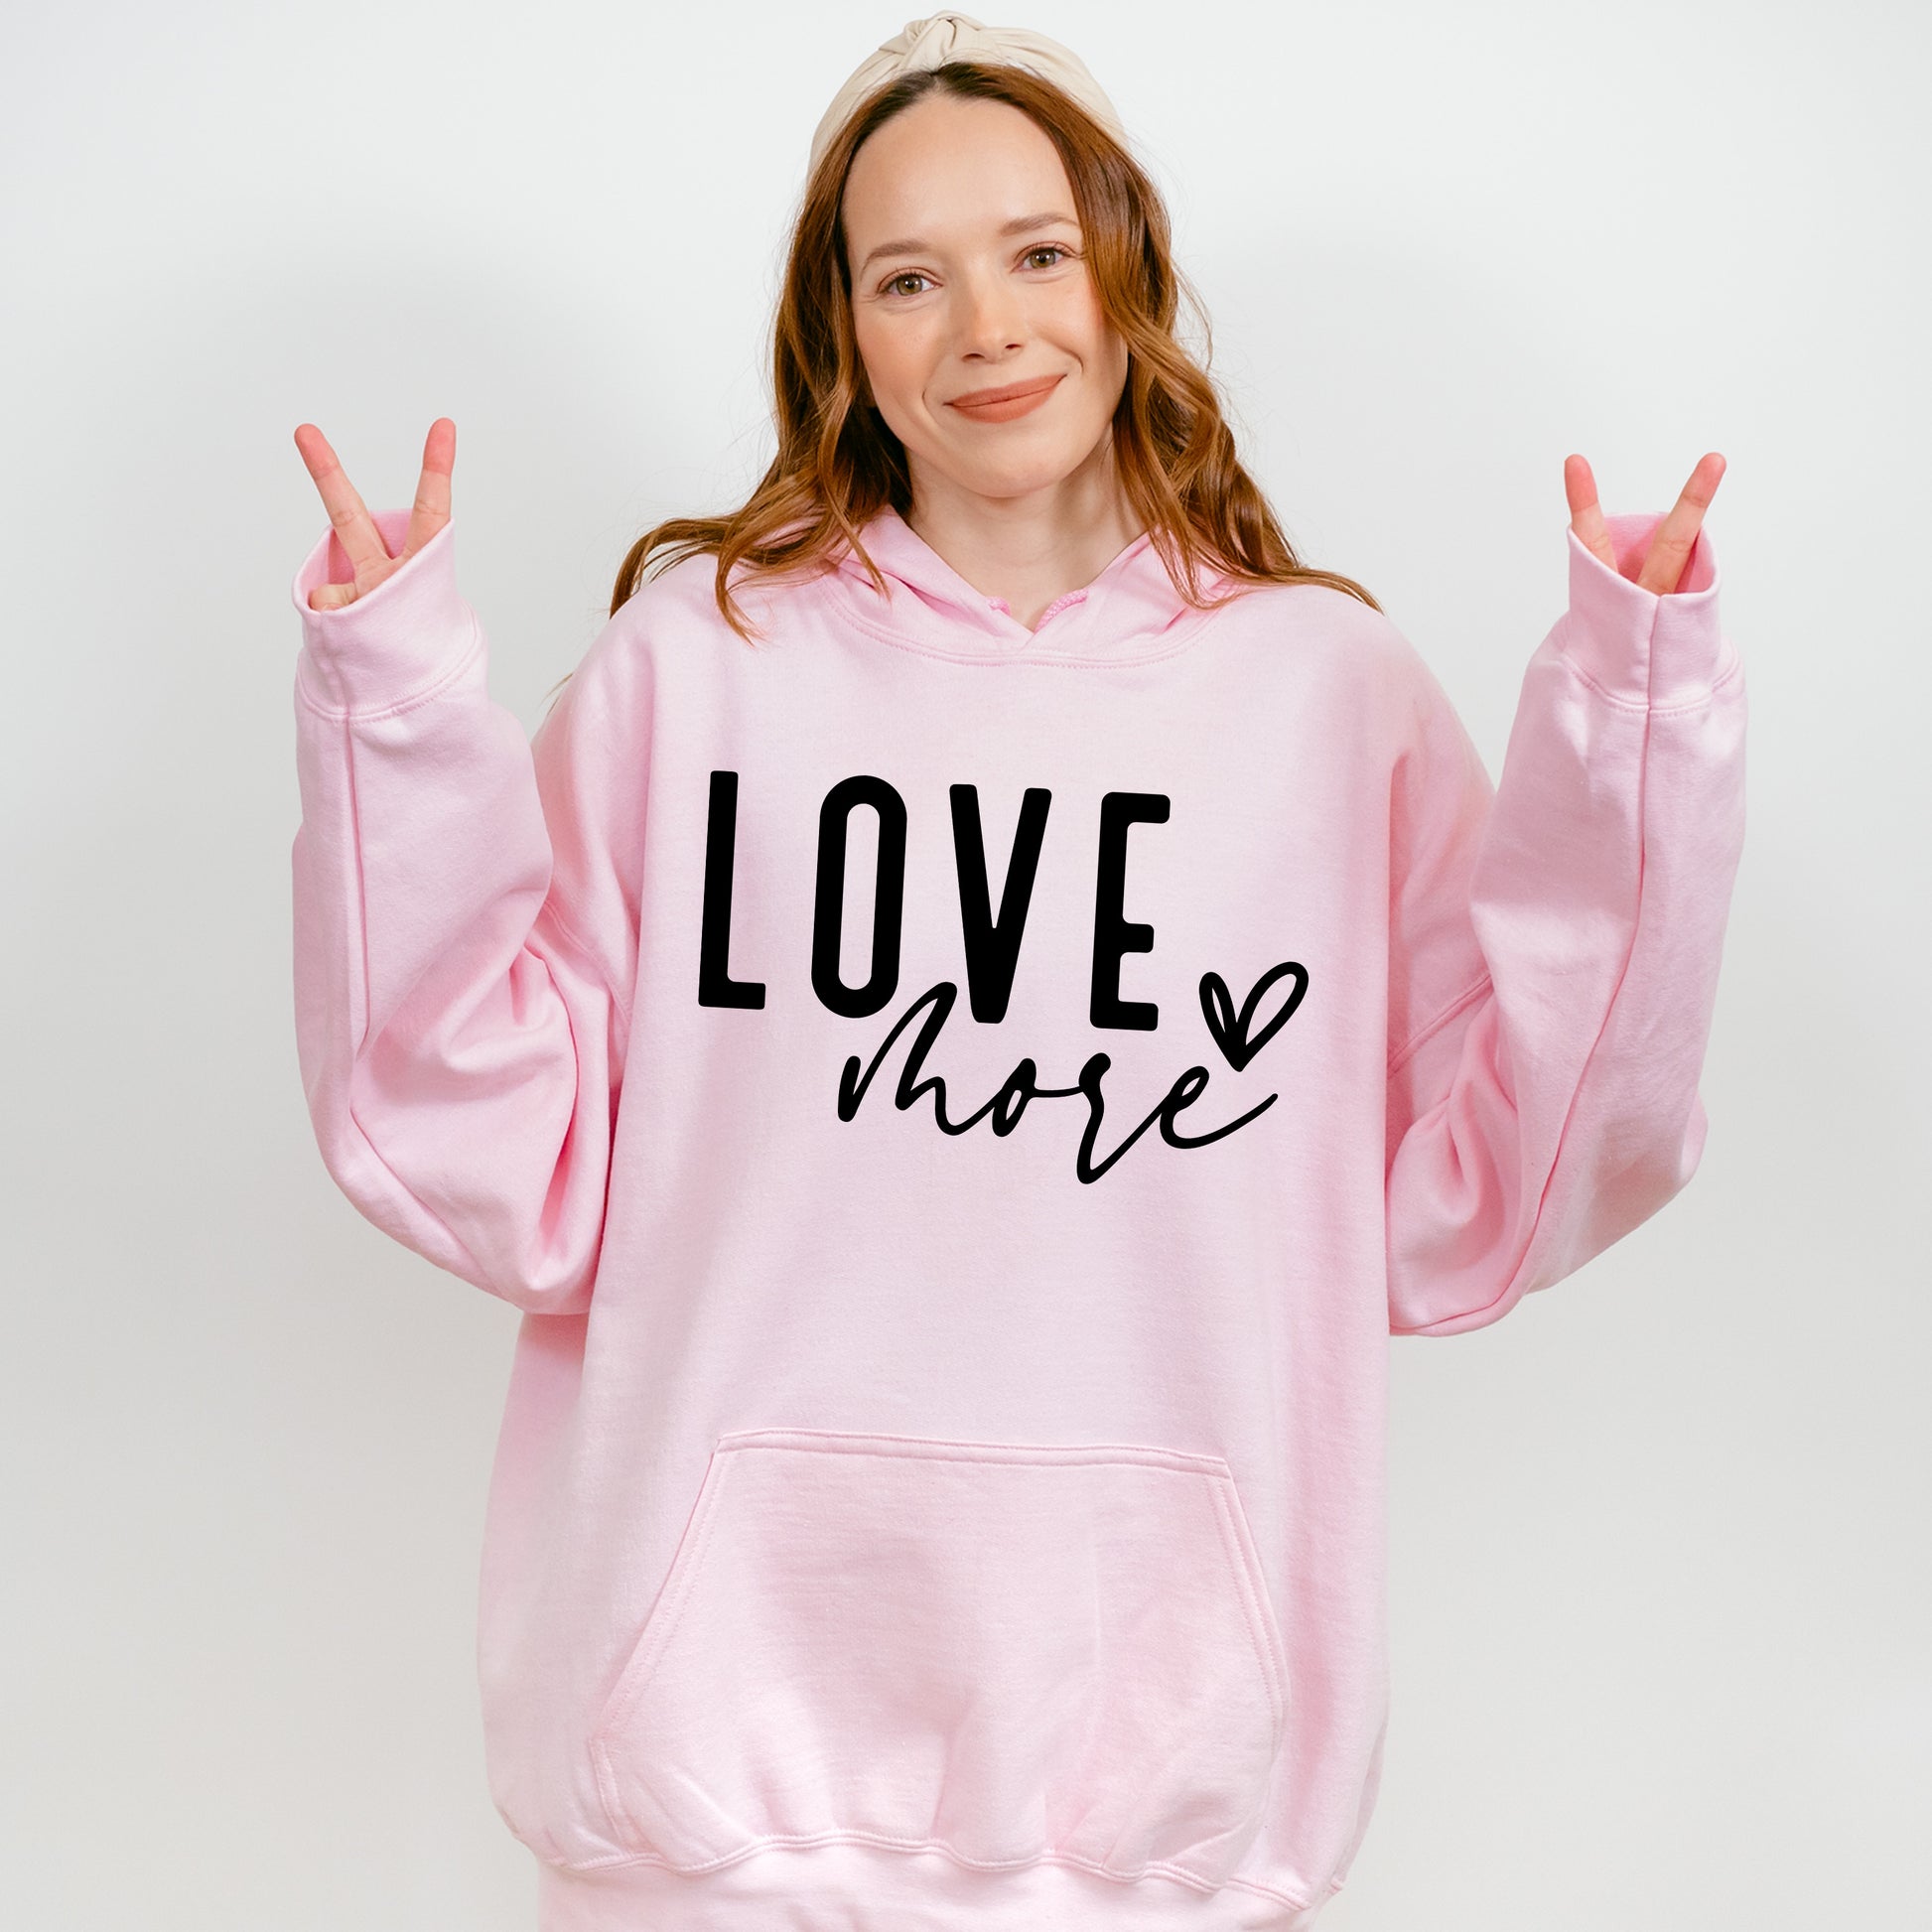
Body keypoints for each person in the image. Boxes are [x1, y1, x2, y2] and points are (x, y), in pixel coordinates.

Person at [286, 13, 1745, 1928]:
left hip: (1163, 1827)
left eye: (1036, 252)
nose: (986, 326)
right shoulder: (695, 672)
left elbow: (1516, 1179)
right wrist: (394, 706)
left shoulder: (1326, 698)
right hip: (707, 1815)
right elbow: (484, 1148)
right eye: (910, 277)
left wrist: (1635, 715)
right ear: (843, 334)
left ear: (1123, 274)